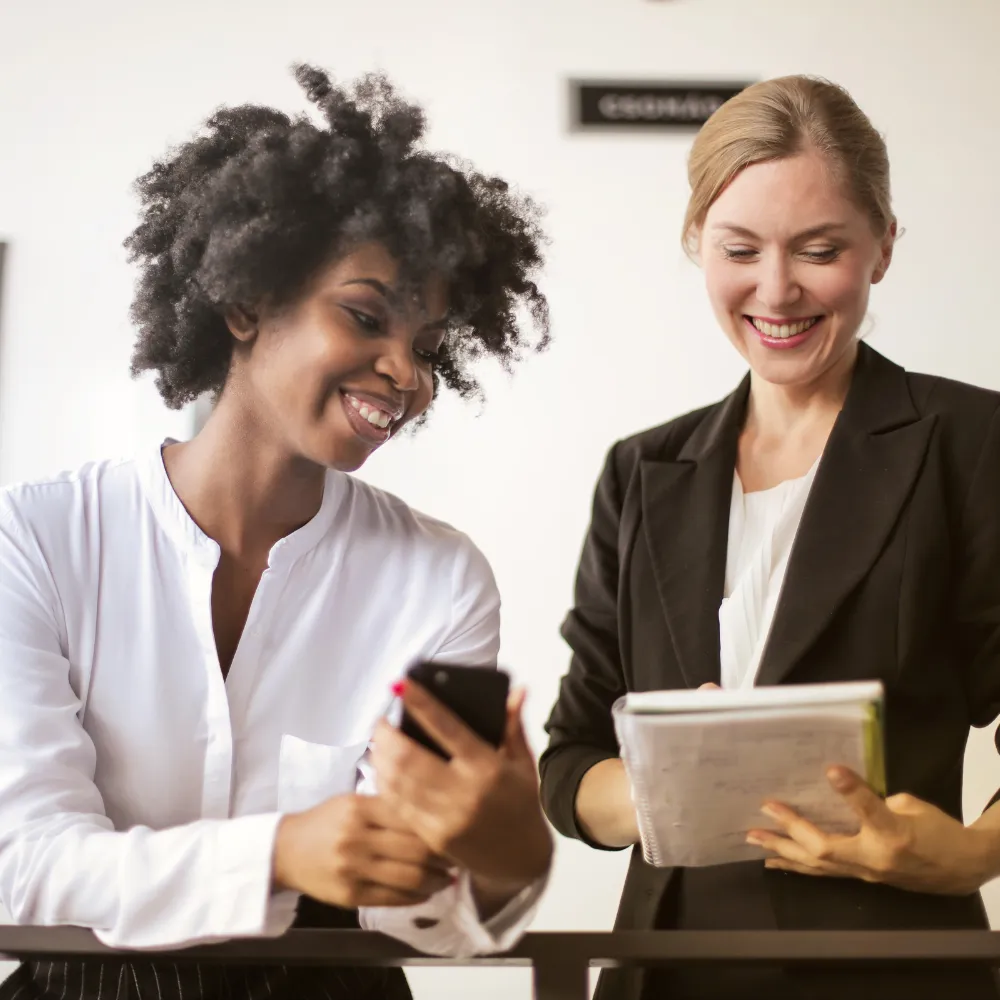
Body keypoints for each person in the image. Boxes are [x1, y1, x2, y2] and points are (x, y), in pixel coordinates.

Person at [0, 64, 554, 1000]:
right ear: (245, 303)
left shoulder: (441, 578)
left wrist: (502, 855)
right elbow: (23, 860)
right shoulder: (38, 537)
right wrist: (282, 852)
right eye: (366, 316)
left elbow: (410, 913)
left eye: (427, 346)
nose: (407, 373)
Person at [539, 74, 1000, 1000]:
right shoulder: (642, 471)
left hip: (889, 972)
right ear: (696, 245)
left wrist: (971, 853)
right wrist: (668, 787)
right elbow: (571, 761)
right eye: (739, 249)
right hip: (665, 972)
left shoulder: (971, 443)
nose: (777, 290)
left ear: (883, 246)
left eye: (819, 250)